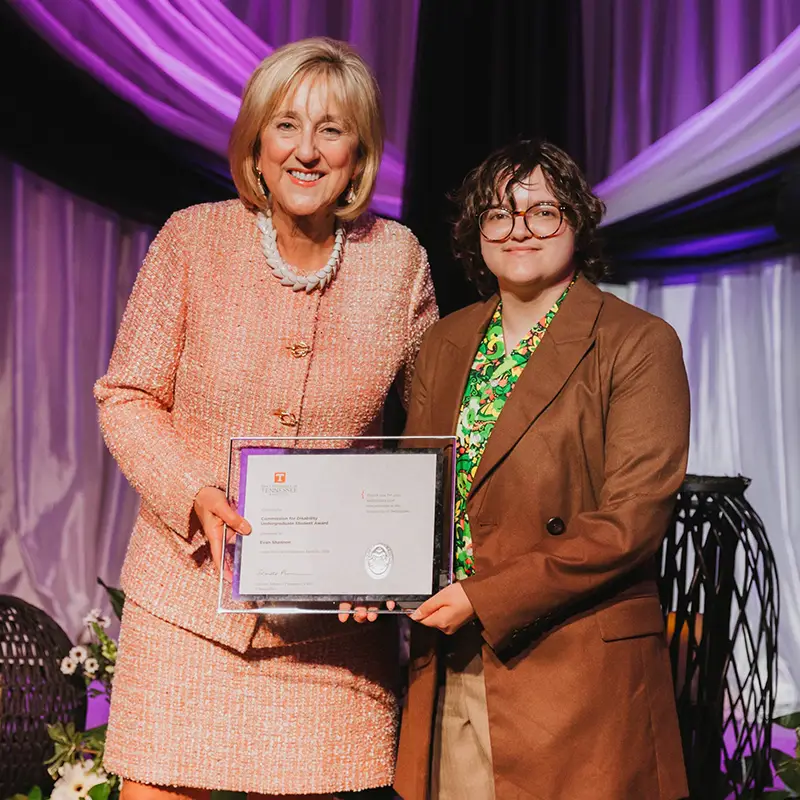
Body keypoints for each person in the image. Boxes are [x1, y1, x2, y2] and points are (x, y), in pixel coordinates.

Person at [94, 37, 437, 800]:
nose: (306, 151)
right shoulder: (192, 238)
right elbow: (126, 395)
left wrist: (388, 563)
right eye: (285, 126)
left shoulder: (399, 259)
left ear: (360, 153)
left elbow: (424, 429)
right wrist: (191, 492)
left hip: (333, 633)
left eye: (331, 130)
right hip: (186, 605)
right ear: (256, 142)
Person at [394, 139, 690, 800]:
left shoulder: (638, 342)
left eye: (543, 211)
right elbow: (412, 491)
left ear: (577, 222)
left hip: (576, 672)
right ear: (476, 235)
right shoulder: (445, 341)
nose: (519, 228)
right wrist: (371, 573)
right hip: (450, 659)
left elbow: (632, 520)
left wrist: (487, 596)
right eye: (498, 213)